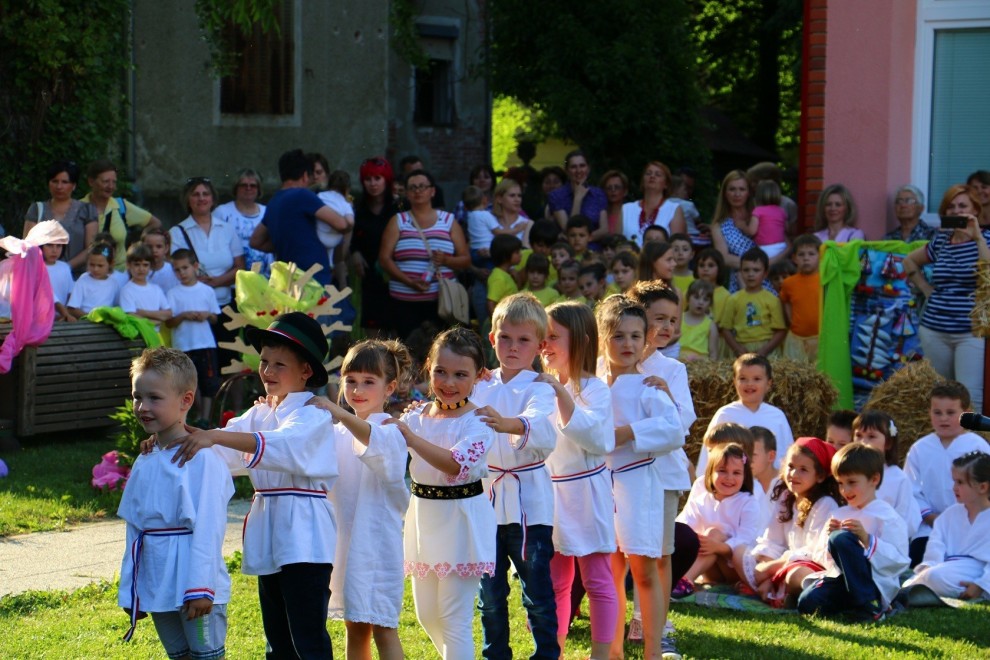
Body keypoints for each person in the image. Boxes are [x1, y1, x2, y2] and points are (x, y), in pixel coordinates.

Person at [167, 312, 338, 658]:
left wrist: (215, 436)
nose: (268, 371)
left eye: (279, 364)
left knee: (307, 636)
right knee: (276, 635)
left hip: (304, 533)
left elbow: (282, 444)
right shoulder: (259, 414)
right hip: (268, 528)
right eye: (264, 362)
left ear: (306, 371)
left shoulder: (314, 414)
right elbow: (219, 446)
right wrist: (165, 441)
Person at [117, 348, 233, 656]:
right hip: (157, 581)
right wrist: (132, 589)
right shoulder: (145, 459)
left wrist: (201, 587)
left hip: (194, 580)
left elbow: (209, 526)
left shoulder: (203, 459)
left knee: (206, 655)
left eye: (154, 398)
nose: (142, 407)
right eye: (137, 397)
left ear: (186, 400)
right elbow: (134, 529)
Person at [391, 327, 496, 659]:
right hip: (423, 518)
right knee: (428, 616)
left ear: (478, 375)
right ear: (429, 367)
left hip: (461, 520)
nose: (448, 383)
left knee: (453, 618)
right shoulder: (415, 416)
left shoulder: (479, 422)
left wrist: (411, 438)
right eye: (441, 371)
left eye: (460, 374)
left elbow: (454, 463)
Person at [310, 340, 412, 660]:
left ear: (389, 387)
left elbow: (371, 440)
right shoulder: (336, 431)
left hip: (377, 546)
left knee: (383, 627)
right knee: (354, 627)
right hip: (344, 543)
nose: (357, 390)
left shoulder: (391, 430)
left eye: (369, 381)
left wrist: (337, 411)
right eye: (351, 380)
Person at [596, 296, 684, 660]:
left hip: (638, 487)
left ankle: (652, 651)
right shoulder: (594, 385)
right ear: (602, 338)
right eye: (618, 336)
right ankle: (613, 650)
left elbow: (674, 432)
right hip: (603, 486)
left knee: (644, 570)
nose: (628, 344)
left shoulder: (649, 385)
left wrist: (628, 432)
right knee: (611, 570)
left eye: (635, 336)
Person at [474, 293, 559, 660]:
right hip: (486, 501)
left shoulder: (541, 386)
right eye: (505, 338)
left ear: (539, 346)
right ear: (493, 338)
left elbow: (542, 426)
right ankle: (495, 654)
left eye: (523, 340)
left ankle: (546, 654)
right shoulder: (479, 384)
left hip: (530, 504)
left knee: (536, 591)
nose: (512, 347)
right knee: (489, 593)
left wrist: (507, 423)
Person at [540, 302, 618, 659]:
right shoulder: (540, 387)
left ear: (582, 340)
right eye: (543, 336)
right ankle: (553, 651)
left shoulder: (596, 390)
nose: (545, 344)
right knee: (556, 582)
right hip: (550, 495)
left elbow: (598, 439)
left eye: (554, 336)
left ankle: (600, 655)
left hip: (587, 494)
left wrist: (560, 394)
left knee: (597, 579)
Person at [625, 281, 698, 651]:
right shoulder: (612, 363)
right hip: (620, 471)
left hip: (662, 473)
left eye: (673, 319)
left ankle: (655, 621)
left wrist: (666, 396)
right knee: (619, 551)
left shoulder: (672, 369)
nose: (668, 326)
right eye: (659, 318)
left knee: (660, 552)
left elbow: (684, 422)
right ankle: (613, 620)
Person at [797, 443, 910, 622]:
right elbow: (821, 558)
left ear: (874, 479)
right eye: (840, 483)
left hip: (874, 582)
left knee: (841, 538)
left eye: (852, 482)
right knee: (807, 602)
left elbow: (900, 560)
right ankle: (857, 603)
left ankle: (871, 604)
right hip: (842, 581)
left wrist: (867, 539)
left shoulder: (887, 516)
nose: (845, 490)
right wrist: (829, 540)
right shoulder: (838, 514)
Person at [903, 184, 989, 412]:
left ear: (975, 210)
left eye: (962, 206)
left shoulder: (986, 240)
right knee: (942, 393)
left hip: (970, 331)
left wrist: (978, 238)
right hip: (934, 329)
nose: (956, 211)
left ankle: (973, 436)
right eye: (951, 207)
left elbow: (988, 273)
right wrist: (925, 288)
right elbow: (909, 261)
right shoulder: (941, 241)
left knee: (970, 396)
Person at [735, 438, 841, 607]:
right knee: (739, 553)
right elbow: (773, 540)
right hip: (784, 564)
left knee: (795, 575)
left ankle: (780, 591)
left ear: (820, 476)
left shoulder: (825, 504)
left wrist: (774, 567)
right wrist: (765, 566)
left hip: (810, 566)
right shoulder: (786, 497)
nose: (794, 474)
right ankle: (771, 588)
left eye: (803, 470)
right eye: (791, 467)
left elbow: (815, 552)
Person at [904, 381, 990, 566]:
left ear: (966, 414)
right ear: (929, 412)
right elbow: (911, 491)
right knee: (921, 561)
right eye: (937, 412)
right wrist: (931, 518)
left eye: (951, 413)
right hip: (930, 528)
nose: (943, 418)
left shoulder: (978, 446)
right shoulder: (920, 449)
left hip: (972, 525)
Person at [379, 169, 470, 341]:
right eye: (412, 187)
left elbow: (465, 260)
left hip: (442, 302)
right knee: (407, 348)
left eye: (422, 186)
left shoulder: (448, 220)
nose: (418, 191)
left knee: (442, 347)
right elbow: (384, 259)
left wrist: (446, 260)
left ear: (432, 191)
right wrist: (410, 282)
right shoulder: (398, 221)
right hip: (404, 301)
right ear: (406, 193)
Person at [169, 176, 245, 374]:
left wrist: (217, 281)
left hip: (226, 306)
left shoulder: (226, 228)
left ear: (213, 198)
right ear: (188, 200)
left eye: (206, 194)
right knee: (199, 366)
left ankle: (231, 396)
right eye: (196, 194)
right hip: (195, 310)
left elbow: (240, 266)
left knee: (229, 361)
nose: (201, 198)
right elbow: (178, 266)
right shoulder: (177, 232)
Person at [250, 149, 353, 289]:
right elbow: (341, 224)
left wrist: (287, 243)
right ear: (305, 175)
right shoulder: (303, 195)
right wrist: (347, 210)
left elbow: (255, 241)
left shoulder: (274, 201)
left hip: (287, 279)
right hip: (312, 279)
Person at [901, 451, 990, 603]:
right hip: (947, 569)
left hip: (980, 570)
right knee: (925, 577)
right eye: (954, 481)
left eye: (960, 482)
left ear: (982, 487)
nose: (954, 487)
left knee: (934, 577)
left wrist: (981, 585)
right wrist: (929, 566)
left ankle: (979, 592)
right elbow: (936, 546)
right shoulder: (949, 515)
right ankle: (920, 587)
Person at [677, 442, 764, 588]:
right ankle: (683, 579)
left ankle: (684, 581)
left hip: (736, 568)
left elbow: (746, 539)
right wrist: (699, 540)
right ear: (710, 473)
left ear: (745, 476)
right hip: (710, 568)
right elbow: (685, 525)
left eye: (736, 473)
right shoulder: (702, 499)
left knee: (714, 533)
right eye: (722, 471)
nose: (729, 477)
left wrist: (718, 546)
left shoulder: (748, 502)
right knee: (702, 536)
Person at [698, 353, 794, 473]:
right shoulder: (725, 414)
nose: (749, 384)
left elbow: (786, 455)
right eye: (743, 379)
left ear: (768, 384)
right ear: (734, 381)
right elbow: (709, 454)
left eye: (756, 379)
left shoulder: (777, 416)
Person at [165, 249, 221, 425]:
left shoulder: (207, 291)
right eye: (177, 269)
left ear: (195, 266)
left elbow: (215, 317)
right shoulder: (172, 293)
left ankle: (206, 418)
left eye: (185, 268)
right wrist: (183, 316)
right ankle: (196, 415)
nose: (182, 273)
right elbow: (169, 322)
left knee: (208, 381)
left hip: (205, 343)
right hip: (183, 345)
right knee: (188, 382)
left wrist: (206, 315)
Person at [82, 159, 162, 272]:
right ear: (91, 182)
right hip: (89, 272)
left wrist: (138, 246)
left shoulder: (121, 206)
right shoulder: (79, 208)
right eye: (105, 181)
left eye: (114, 182)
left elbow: (155, 223)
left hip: (120, 273)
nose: (111, 186)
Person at [349, 156, 399, 337]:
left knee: (397, 331)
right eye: (368, 179)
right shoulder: (358, 208)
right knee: (374, 335)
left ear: (386, 180)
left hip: (396, 275)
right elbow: (352, 237)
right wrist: (354, 252)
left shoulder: (398, 207)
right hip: (369, 276)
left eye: (377, 178)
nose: (373, 184)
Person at [852, 411, 923, 538]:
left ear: (888, 443)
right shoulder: (848, 474)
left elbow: (906, 521)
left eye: (871, 436)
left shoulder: (898, 478)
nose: (863, 442)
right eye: (858, 435)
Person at [23, 159, 98, 277]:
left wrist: (65, 267)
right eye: (55, 181)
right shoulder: (37, 209)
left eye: (64, 182)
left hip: (76, 277)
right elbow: (28, 246)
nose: (59, 186)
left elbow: (91, 247)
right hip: (42, 276)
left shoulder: (87, 210)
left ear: (74, 185)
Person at [718, 247, 787, 358]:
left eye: (756, 270)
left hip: (768, 350)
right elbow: (725, 329)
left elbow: (781, 330)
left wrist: (764, 351)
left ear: (765, 273)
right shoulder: (733, 299)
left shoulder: (772, 299)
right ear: (740, 272)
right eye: (746, 270)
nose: (750, 274)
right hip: (742, 349)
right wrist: (737, 349)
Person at [214, 168, 273, 277]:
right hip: (232, 280)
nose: (248, 188)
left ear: (259, 189)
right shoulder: (222, 212)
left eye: (253, 185)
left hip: (265, 280)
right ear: (236, 188)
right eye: (243, 185)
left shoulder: (268, 212)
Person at [620, 161, 687, 247]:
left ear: (666, 184)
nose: (652, 176)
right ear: (643, 181)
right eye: (648, 173)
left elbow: (677, 245)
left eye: (658, 175)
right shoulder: (626, 209)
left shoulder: (673, 209)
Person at [779, 234, 822, 363]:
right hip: (796, 339)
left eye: (811, 254)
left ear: (820, 256)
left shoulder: (825, 281)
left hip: (821, 338)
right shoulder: (788, 283)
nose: (806, 258)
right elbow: (785, 302)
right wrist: (791, 321)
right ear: (794, 258)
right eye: (801, 254)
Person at [548, 150, 608, 242]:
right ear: (567, 171)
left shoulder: (598, 194)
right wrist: (577, 198)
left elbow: (604, 230)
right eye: (573, 167)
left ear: (588, 169)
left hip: (594, 247)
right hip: (567, 249)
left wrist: (582, 240)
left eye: (582, 166)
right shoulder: (556, 196)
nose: (578, 171)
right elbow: (569, 230)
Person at [118, 244, 170, 332]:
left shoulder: (156, 289)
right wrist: (157, 321)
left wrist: (143, 313)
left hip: (156, 336)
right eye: (137, 265)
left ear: (150, 266)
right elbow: (131, 317)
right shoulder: (127, 290)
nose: (141, 269)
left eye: (145, 265)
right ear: (128, 265)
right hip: (138, 336)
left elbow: (168, 314)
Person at [33, 221, 73, 321]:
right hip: (40, 319)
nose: (54, 250)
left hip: (63, 318)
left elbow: (70, 294)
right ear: (40, 245)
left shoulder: (65, 267)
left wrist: (67, 315)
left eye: (59, 246)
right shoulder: (36, 268)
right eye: (49, 245)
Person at [66, 242, 118, 319]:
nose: (95, 269)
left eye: (100, 266)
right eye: (92, 265)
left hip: (106, 323)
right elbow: (72, 309)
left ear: (111, 264)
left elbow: (116, 307)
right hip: (86, 322)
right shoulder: (83, 280)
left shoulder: (113, 283)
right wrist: (91, 318)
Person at [743, 180, 789, 258]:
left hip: (765, 248)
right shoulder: (781, 211)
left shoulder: (758, 210)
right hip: (782, 247)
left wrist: (743, 226)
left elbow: (751, 231)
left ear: (758, 196)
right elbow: (787, 229)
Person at [680, 279, 718, 361]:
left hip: (700, 363)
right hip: (678, 362)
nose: (701, 302)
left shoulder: (710, 325)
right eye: (696, 297)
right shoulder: (678, 319)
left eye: (705, 299)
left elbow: (713, 354)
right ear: (688, 298)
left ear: (710, 304)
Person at [486, 235, 522, 315]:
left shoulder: (507, 274)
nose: (521, 254)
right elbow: (491, 304)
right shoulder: (498, 277)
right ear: (505, 256)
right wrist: (498, 321)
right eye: (517, 252)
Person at [693, 247, 730, 322]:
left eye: (710, 265)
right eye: (701, 265)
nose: (705, 269)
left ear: (719, 268)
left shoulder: (726, 296)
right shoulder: (690, 292)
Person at [141, 227, 180, 294]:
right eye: (149, 247)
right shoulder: (137, 271)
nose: (154, 250)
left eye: (159, 246)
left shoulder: (174, 270)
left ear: (166, 248)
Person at [750, 426, 781, 502]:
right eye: (744, 454)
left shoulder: (788, 486)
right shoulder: (743, 487)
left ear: (771, 456)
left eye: (753, 455)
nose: (746, 459)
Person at [601, 170, 629, 236]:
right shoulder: (600, 215)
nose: (613, 190)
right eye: (609, 188)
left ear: (625, 191)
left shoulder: (629, 215)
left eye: (617, 187)